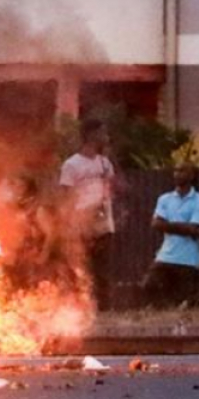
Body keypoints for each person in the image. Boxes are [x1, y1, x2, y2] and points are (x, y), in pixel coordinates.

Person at [59, 118, 115, 310]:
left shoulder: (105, 163)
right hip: (81, 223)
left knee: (103, 269)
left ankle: (103, 309)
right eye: (102, 132)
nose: (105, 137)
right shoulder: (71, 165)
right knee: (82, 268)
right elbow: (67, 197)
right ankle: (79, 309)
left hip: (103, 224)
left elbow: (111, 189)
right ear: (91, 135)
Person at [141, 163, 199, 309]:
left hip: (188, 259)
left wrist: (168, 225)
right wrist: (183, 227)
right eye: (176, 170)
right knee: (148, 286)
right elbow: (156, 224)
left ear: (192, 175)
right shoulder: (165, 199)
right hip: (165, 255)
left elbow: (195, 229)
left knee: (185, 300)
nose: (177, 174)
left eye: (183, 171)